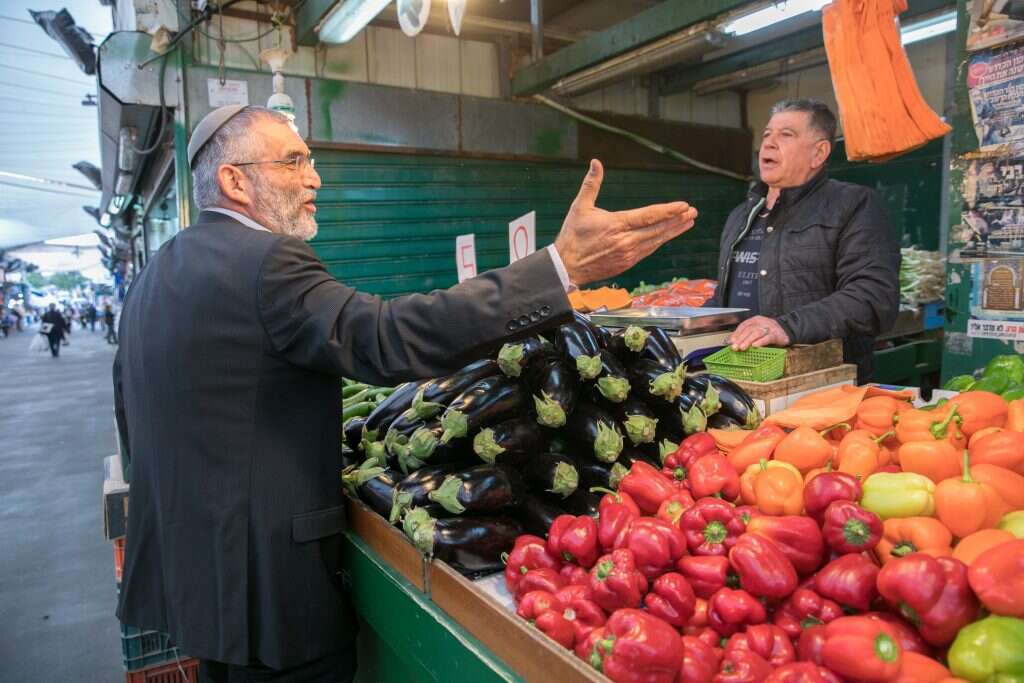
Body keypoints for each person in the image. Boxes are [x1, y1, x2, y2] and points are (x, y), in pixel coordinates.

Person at [113, 105, 698, 683]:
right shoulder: (266, 262)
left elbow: (131, 413)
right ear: (234, 180)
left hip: (195, 584)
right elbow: (387, 338)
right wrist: (558, 268)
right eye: (293, 162)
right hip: (267, 589)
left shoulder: (152, 278)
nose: (314, 178)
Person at [705, 98, 900, 382]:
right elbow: (728, 296)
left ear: (819, 153)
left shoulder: (852, 205)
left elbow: (873, 296)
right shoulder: (740, 216)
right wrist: (678, 323)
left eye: (786, 135)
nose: (769, 144)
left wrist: (786, 327)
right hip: (741, 379)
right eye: (767, 135)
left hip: (819, 385)